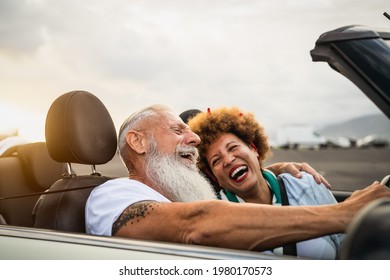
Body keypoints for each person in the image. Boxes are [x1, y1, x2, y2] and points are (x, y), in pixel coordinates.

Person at [85, 104, 390, 255]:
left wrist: (270, 171)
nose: (193, 138)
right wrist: (347, 212)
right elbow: (196, 224)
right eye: (178, 131)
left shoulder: (181, 197)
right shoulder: (113, 194)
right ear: (138, 143)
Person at [187, 106, 344, 259]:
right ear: (215, 177)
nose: (228, 160)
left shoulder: (306, 184)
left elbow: (347, 244)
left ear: (254, 149)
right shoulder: (215, 221)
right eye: (216, 160)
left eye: (233, 147)